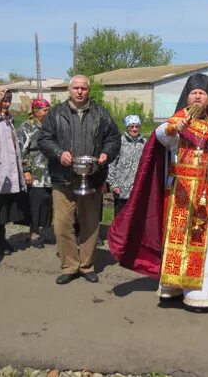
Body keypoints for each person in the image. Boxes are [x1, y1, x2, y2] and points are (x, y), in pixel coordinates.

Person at [108, 73, 208, 312]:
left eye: (202, 93)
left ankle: (205, 295)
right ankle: (173, 287)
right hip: (180, 191)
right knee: (177, 243)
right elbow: (160, 137)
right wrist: (173, 129)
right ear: (186, 97)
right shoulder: (177, 123)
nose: (198, 96)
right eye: (194, 93)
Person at [38, 75, 121, 285]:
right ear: (69, 89)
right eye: (76, 88)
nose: (79, 92)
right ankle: (69, 265)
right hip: (63, 178)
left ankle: (86, 266)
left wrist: (106, 154)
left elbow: (113, 138)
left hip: (92, 178)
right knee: (62, 224)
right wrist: (58, 153)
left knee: (91, 224)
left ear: (88, 90)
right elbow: (44, 139)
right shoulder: (56, 113)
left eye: (83, 88)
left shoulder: (101, 113)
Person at [0, 88, 28, 256]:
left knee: (5, 207)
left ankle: (1, 240)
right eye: (4, 100)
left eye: (9, 100)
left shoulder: (8, 119)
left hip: (10, 170)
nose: (7, 103)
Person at [17, 96, 53, 249]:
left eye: (48, 110)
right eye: (45, 110)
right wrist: (26, 171)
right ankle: (34, 232)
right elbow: (21, 151)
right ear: (36, 111)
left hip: (51, 172)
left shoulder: (51, 126)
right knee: (35, 204)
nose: (47, 113)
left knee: (46, 202)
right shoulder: (27, 127)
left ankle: (43, 229)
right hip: (36, 172)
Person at [107, 114, 146, 217]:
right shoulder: (119, 142)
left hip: (137, 190)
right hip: (121, 190)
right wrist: (114, 185)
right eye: (131, 126)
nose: (134, 129)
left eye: (137, 126)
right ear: (127, 127)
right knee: (120, 219)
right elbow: (111, 164)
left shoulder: (144, 143)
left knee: (135, 219)